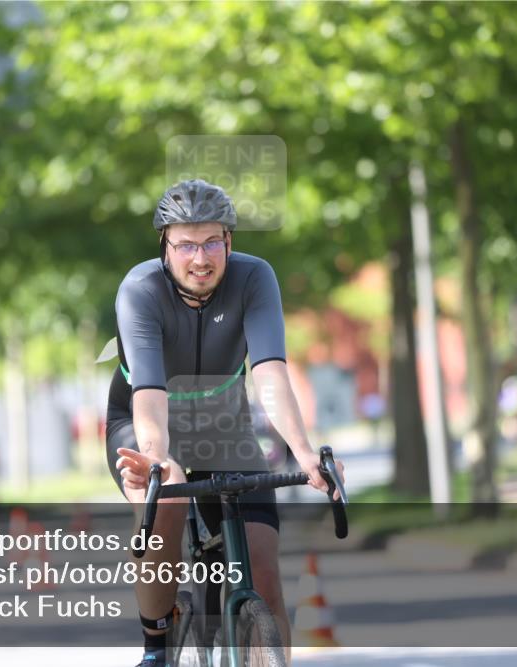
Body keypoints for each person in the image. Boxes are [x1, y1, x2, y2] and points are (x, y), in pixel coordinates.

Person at [105, 179, 345, 667]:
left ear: (229, 243)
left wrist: (304, 454)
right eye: (186, 245)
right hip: (144, 421)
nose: (200, 257)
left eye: (212, 241)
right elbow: (149, 395)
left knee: (262, 570)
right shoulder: (141, 290)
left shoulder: (254, 278)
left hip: (223, 423)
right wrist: (153, 458)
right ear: (165, 247)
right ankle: (155, 646)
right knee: (166, 489)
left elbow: (270, 374)